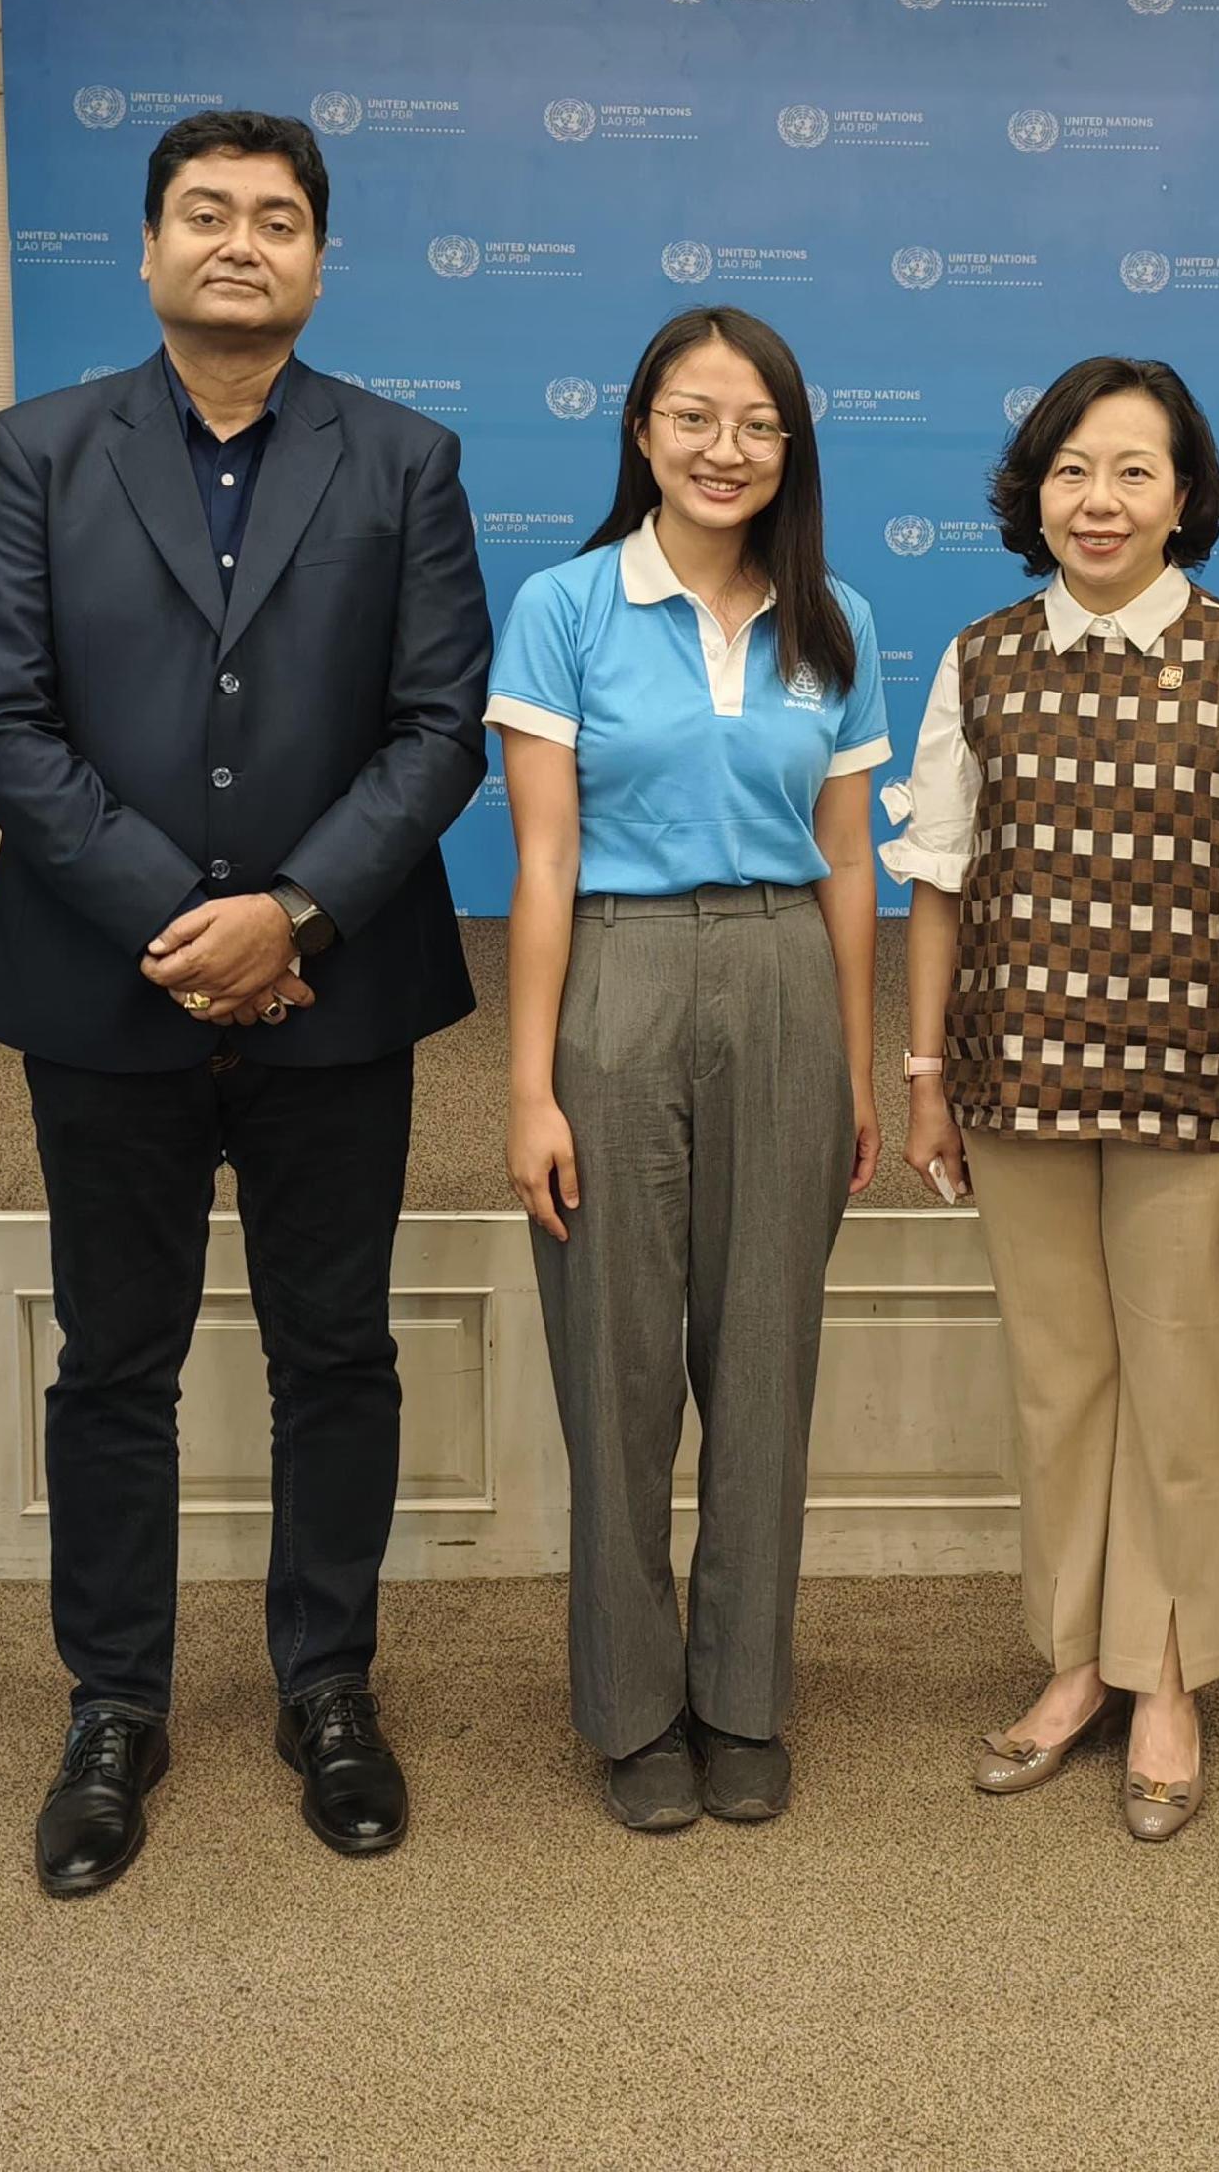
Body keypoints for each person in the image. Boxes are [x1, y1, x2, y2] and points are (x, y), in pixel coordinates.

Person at [0, 108, 490, 1898]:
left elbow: (436, 731)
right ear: (152, 246)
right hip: (111, 995)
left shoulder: (407, 459)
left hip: (335, 998)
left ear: (320, 261)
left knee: (337, 1352)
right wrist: (191, 923)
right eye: (206, 215)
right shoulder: (36, 450)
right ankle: (116, 1702)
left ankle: (328, 1684)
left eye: (276, 219)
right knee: (119, 1360)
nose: (240, 243)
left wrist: (299, 914)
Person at [886, 359, 1219, 1843]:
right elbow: (939, 887)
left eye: (1135, 471)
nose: (1101, 499)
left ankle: (1166, 1677)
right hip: (1013, 1081)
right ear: (1034, 490)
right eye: (1074, 469)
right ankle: (1075, 1664)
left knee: (1180, 1394)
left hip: (1200, 1091)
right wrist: (923, 1076)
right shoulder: (978, 659)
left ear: (1187, 496)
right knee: (1058, 1387)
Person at [489, 307, 889, 1833]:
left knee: (766, 1360)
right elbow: (539, 861)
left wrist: (854, 1069)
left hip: (789, 974)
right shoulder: (569, 608)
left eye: (758, 425)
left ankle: (742, 1697)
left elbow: (851, 864)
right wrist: (529, 1088)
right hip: (618, 969)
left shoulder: (829, 620)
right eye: (693, 417)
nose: (726, 450)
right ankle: (632, 1708)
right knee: (617, 1363)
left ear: (792, 448)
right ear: (642, 431)